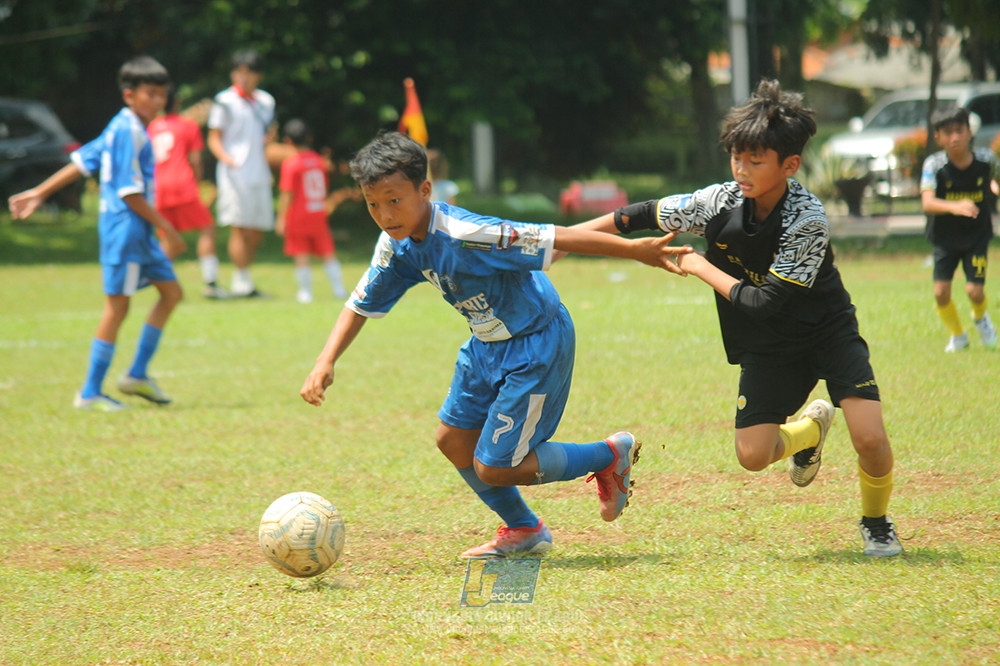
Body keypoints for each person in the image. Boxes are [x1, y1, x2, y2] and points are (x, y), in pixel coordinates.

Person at [300, 131, 691, 558]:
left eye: (394, 200)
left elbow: (556, 238)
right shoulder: (396, 246)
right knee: (452, 440)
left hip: (536, 344)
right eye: (373, 203)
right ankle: (526, 529)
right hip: (484, 345)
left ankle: (608, 455)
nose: (384, 214)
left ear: (424, 190)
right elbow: (361, 303)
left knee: (497, 467)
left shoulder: (468, 233)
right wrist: (326, 360)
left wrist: (633, 251)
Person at [573, 80, 903, 557]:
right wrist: (561, 242)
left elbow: (764, 302)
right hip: (770, 343)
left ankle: (876, 522)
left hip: (826, 331)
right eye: (736, 157)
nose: (742, 170)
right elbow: (638, 215)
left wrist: (700, 266)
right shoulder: (720, 201)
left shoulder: (805, 218)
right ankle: (812, 430)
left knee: (870, 437)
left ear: (789, 165)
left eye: (755, 160)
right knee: (752, 456)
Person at [7, 56, 185, 411]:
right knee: (117, 308)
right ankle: (89, 392)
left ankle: (136, 374)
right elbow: (129, 193)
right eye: (150, 94)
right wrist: (168, 227)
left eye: (162, 95)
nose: (158, 101)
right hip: (127, 232)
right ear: (129, 95)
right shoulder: (129, 131)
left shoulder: (122, 124)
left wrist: (40, 192)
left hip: (140, 233)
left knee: (171, 293)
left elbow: (81, 161)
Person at [919, 106, 1000, 352]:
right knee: (941, 293)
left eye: (959, 131)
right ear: (938, 137)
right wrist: (956, 206)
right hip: (945, 240)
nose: (955, 137)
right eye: (948, 132)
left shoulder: (986, 160)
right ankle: (958, 336)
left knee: (975, 291)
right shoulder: (934, 165)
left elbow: (995, 181)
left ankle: (981, 319)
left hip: (977, 236)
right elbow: (927, 202)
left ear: (969, 132)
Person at [207, 48, 276, 298]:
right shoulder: (224, 101)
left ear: (258, 75)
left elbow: (267, 134)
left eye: (249, 73)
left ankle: (244, 277)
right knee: (240, 227)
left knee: (257, 227)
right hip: (234, 174)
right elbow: (214, 138)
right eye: (239, 72)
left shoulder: (266, 102)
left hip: (259, 171)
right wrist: (228, 160)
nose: (243, 78)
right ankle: (241, 281)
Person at [148, 87, 226, 299]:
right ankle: (211, 282)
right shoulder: (188, 125)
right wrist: (197, 183)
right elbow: (195, 160)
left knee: (169, 237)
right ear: (178, 102)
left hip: (159, 187)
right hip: (182, 184)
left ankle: (161, 283)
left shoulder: (153, 126)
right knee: (207, 228)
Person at [275, 118, 347, 303]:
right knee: (328, 253)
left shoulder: (291, 164)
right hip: (318, 212)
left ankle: (305, 292)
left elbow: (287, 193)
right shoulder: (319, 161)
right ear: (309, 138)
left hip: (298, 216)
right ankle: (339, 289)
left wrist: (281, 218)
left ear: (288, 141)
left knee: (301, 254)